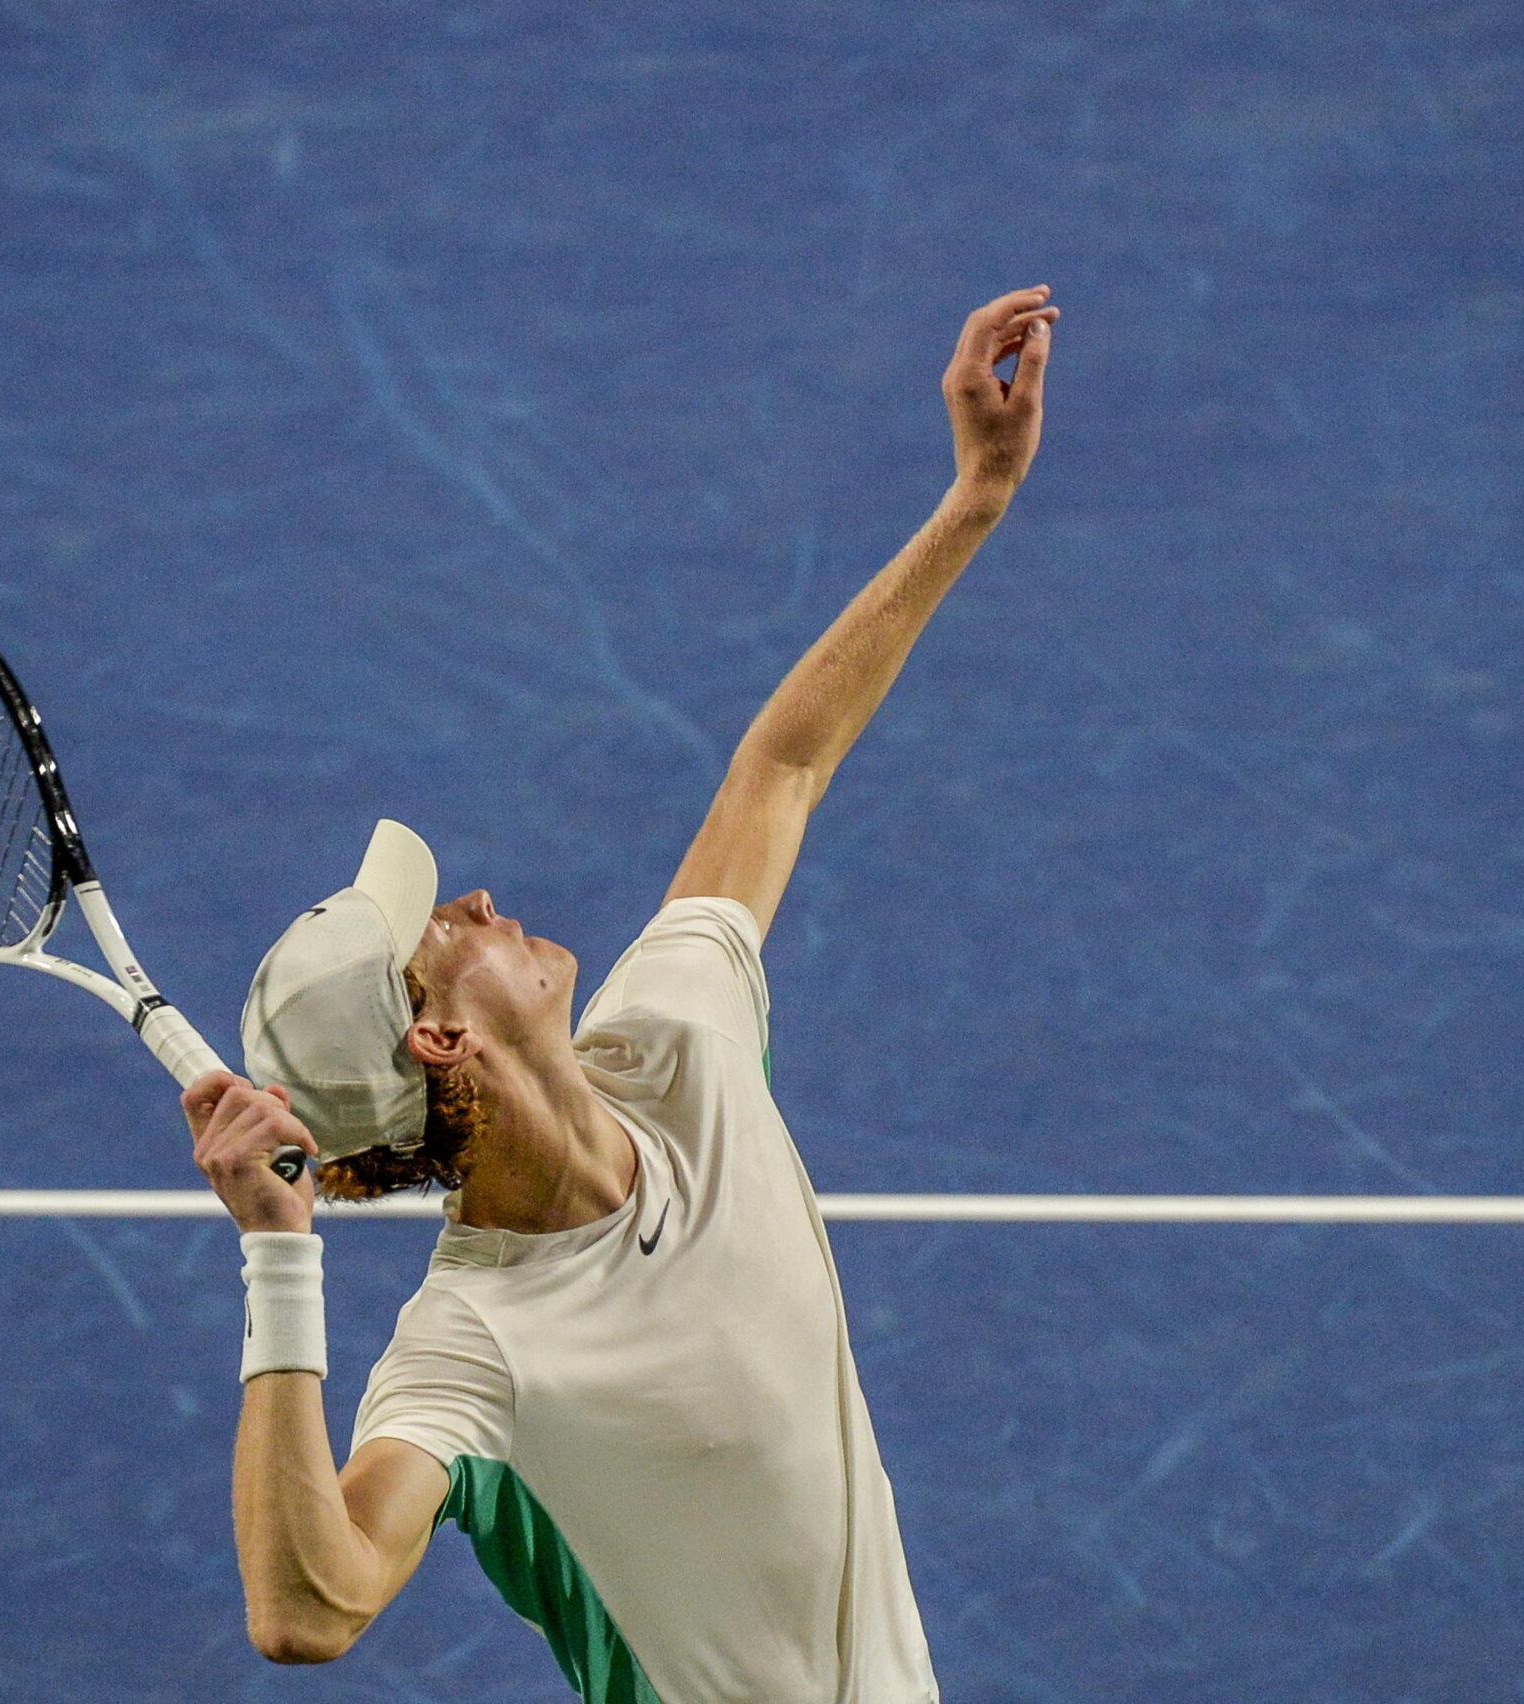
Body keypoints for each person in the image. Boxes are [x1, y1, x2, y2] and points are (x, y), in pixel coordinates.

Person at [181, 285, 1058, 1701]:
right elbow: (309, 1610)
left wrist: (975, 499)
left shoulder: (673, 1044)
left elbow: (778, 768)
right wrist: (280, 1256)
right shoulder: (473, 1349)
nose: (471, 900)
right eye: (434, 931)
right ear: (439, 1035)